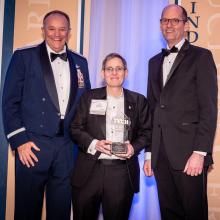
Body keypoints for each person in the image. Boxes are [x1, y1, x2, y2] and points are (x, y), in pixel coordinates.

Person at [2, 10, 90, 220]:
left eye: (62, 29)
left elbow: (85, 105)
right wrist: (20, 140)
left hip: (67, 149)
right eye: (51, 29)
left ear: (69, 32)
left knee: (60, 211)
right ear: (43, 30)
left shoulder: (81, 62)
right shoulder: (24, 56)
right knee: (27, 211)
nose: (57, 34)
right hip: (32, 146)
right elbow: (9, 101)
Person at [143, 4, 217, 220]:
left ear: (185, 25)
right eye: (165, 20)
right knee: (169, 213)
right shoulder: (153, 62)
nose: (169, 25)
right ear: (160, 25)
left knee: (194, 213)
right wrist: (149, 152)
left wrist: (200, 152)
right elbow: (152, 110)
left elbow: (209, 108)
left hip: (189, 154)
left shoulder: (201, 57)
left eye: (175, 20)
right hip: (161, 154)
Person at [70, 53, 151, 220]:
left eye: (119, 69)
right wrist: (94, 144)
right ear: (102, 73)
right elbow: (75, 128)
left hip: (121, 173)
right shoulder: (88, 97)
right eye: (110, 69)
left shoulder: (139, 101)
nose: (114, 73)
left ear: (126, 73)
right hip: (89, 171)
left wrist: (133, 148)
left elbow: (147, 132)